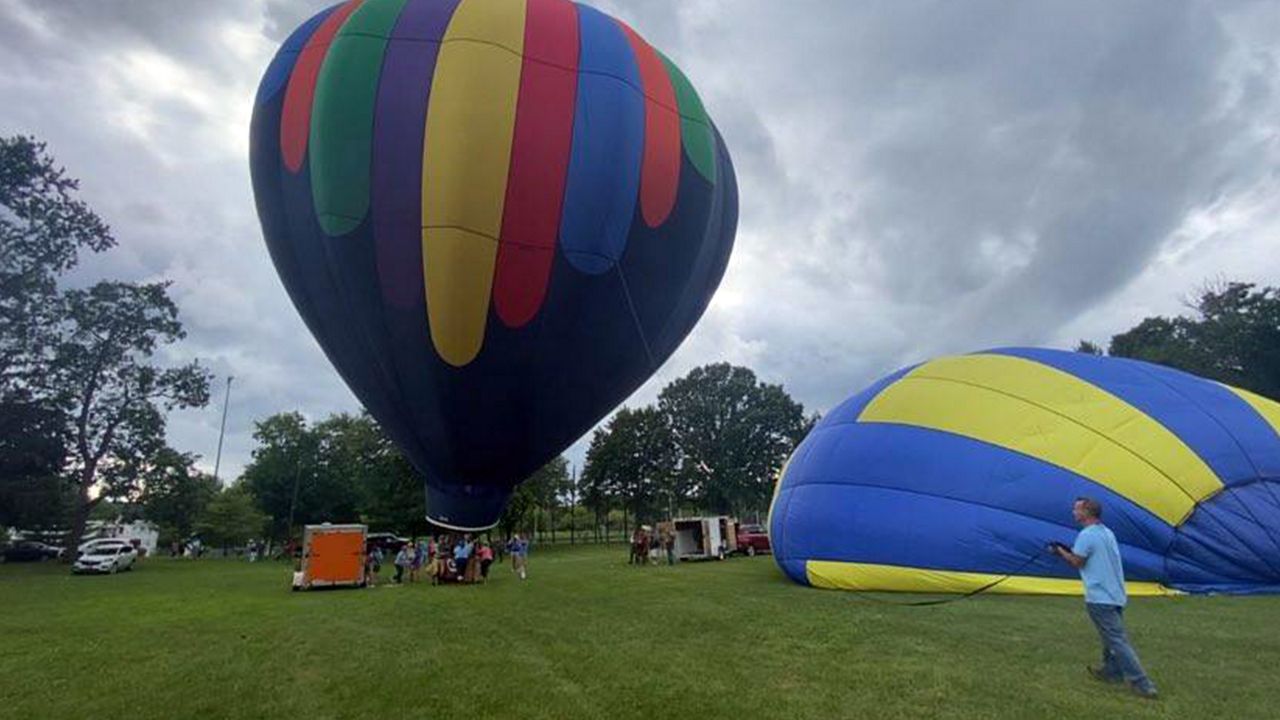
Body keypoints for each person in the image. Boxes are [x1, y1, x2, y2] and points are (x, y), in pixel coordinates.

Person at [1051, 496, 1158, 699]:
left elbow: (1077, 562)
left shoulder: (1086, 535)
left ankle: (1143, 683)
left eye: (1076, 509)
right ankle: (1112, 671)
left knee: (1116, 640)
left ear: (1086, 512)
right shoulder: (1107, 532)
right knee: (1109, 635)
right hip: (1115, 593)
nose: (1074, 512)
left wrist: (1060, 552)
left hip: (1100, 596)